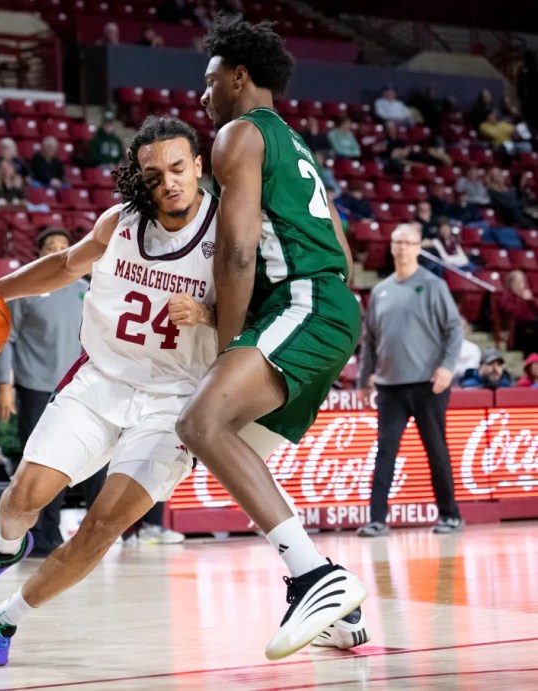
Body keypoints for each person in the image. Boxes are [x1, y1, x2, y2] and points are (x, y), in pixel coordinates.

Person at [0, 116, 224, 668]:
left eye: (178, 168)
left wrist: (207, 314)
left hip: (175, 401)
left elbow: (259, 312)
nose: (168, 182)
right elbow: (65, 265)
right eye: (153, 175)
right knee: (23, 497)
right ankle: (3, 548)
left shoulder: (229, 232)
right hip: (102, 380)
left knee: (102, 527)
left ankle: (2, 620)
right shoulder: (119, 222)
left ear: (198, 166)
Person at [178, 13, 367, 661]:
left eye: (209, 80)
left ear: (238, 76)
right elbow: (344, 252)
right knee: (234, 451)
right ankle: (339, 608)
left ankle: (314, 579)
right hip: (330, 304)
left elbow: (236, 252)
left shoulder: (239, 134)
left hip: (305, 302)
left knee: (201, 423)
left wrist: (229, 346)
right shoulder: (297, 144)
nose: (202, 94)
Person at [356, 224, 464, 537]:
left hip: (428, 384)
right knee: (385, 452)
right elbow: (370, 341)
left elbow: (454, 330)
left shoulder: (433, 285)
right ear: (391, 247)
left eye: (408, 243)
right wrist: (363, 381)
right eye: (397, 242)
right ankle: (377, 519)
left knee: (436, 451)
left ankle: (450, 515)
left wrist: (447, 367)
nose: (402, 247)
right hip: (389, 387)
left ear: (418, 248)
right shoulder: (381, 290)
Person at [0, 227, 88, 557]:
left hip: (74, 389)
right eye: (51, 247)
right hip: (34, 385)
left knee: (68, 463)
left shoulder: (85, 290)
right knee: (37, 462)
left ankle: (59, 530)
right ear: (39, 255)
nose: (58, 251)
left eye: (64, 246)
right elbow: (6, 338)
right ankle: (35, 533)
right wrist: (4, 384)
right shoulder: (27, 291)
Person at [499, 270, 538, 357]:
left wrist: (531, 300)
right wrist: (523, 300)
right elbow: (515, 313)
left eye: (521, 281)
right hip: (516, 326)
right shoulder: (506, 297)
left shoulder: (527, 294)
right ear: (510, 283)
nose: (519, 284)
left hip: (532, 324)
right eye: (516, 282)